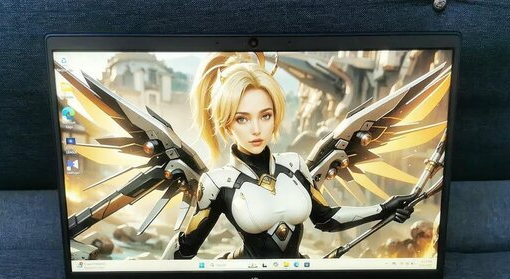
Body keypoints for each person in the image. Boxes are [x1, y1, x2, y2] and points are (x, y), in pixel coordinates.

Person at [162, 52, 412, 260]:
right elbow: (185, 250)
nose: (256, 129)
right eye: (242, 119)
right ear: (227, 124)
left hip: (295, 278)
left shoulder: (294, 165)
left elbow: (326, 219)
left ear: (276, 116)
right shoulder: (216, 183)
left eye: (265, 116)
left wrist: (383, 209)